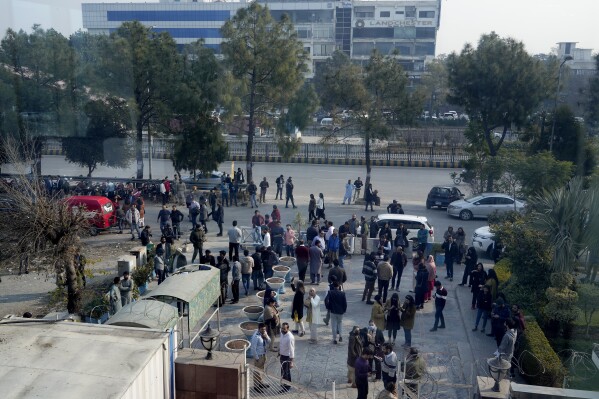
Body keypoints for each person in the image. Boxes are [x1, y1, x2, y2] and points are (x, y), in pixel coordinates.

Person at [250, 323, 271, 393]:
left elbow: (269, 341)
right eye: (262, 329)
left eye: (264, 329)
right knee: (256, 372)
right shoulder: (255, 336)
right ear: (259, 329)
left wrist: (266, 337)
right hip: (259, 356)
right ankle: (256, 386)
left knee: (262, 370)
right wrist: (257, 358)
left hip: (264, 354)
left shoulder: (264, 333)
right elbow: (253, 348)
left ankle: (261, 383)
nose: (264, 330)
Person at [278, 322, 295, 392]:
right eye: (282, 328)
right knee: (283, 371)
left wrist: (291, 362)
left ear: (288, 329)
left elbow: (292, 350)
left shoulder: (290, 337)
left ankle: (286, 387)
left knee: (286, 372)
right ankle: (285, 383)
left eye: (284, 329)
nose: (282, 330)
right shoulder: (282, 334)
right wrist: (279, 352)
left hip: (287, 357)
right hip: (282, 355)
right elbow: (281, 343)